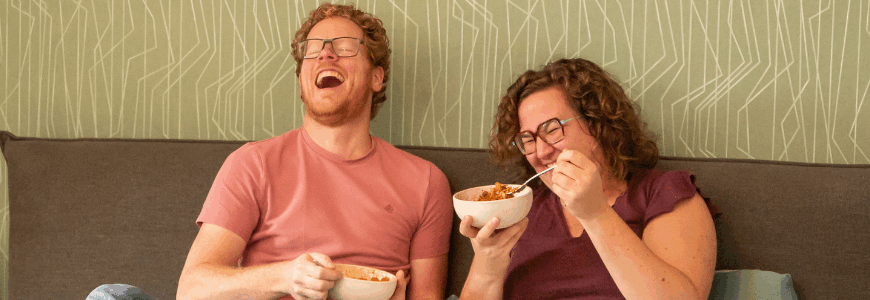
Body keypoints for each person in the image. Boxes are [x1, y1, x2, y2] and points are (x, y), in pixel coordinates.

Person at [175, 3, 452, 300]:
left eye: (345, 47)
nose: (325, 54)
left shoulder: (425, 182)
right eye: (313, 49)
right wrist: (284, 276)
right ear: (301, 80)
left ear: (376, 77)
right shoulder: (252, 164)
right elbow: (192, 290)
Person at [456, 58, 719, 300]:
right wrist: (488, 267)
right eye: (528, 140)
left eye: (552, 130)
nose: (541, 151)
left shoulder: (662, 193)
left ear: (597, 123)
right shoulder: (520, 209)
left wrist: (595, 214)